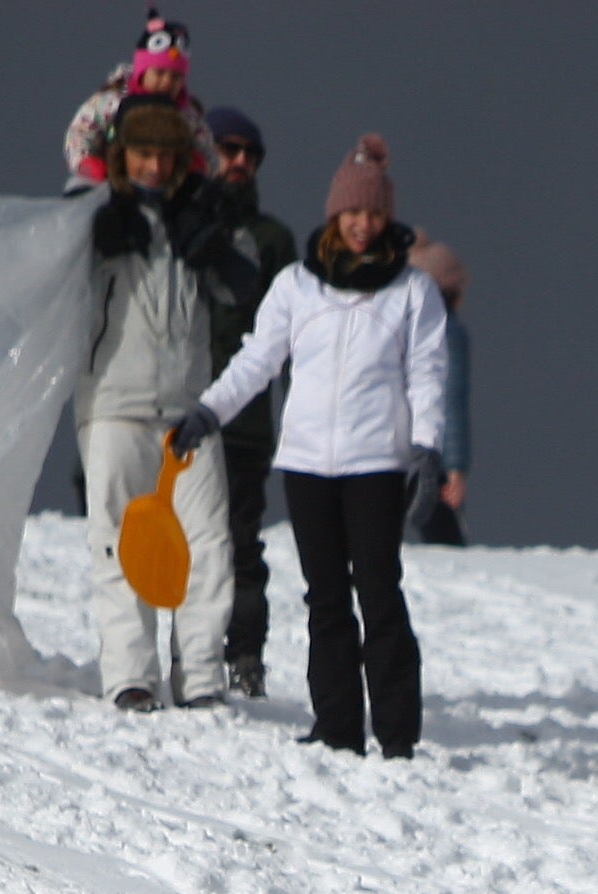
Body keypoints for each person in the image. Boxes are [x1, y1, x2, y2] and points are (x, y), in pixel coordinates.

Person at [174, 134, 448, 759]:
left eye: (374, 214)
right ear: (334, 215)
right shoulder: (297, 286)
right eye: (353, 212)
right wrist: (210, 411)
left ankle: (398, 734)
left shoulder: (411, 292)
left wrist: (426, 448)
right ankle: (338, 728)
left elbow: (428, 373)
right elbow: (257, 360)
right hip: (306, 466)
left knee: (378, 594)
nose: (362, 225)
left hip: (376, 462)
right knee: (325, 598)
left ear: (387, 219)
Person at [78, 96, 259, 710]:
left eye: (165, 154)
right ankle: (130, 674)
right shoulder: (93, 213)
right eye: (143, 153)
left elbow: (246, 287)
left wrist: (217, 246)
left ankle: (203, 676)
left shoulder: (199, 215)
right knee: (116, 539)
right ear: (121, 156)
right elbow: (47, 289)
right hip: (113, 402)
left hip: (187, 409)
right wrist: (90, 239)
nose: (154, 166)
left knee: (208, 541)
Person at [200, 106, 293, 697]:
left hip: (244, 425)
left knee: (238, 541)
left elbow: (291, 340)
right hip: (174, 410)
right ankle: (183, 651)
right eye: (228, 149)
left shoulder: (272, 240)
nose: (239, 163)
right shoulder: (175, 225)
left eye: (249, 155)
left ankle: (245, 655)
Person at [62, 12, 204, 188]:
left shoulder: (186, 112)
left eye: (176, 77)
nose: (167, 82)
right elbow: (79, 134)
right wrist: (87, 164)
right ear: (142, 71)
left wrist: (197, 166)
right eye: (159, 73)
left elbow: (207, 148)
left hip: (166, 187)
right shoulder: (112, 102)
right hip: (107, 181)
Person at [403, 238, 472, 546]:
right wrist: (456, 467)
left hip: (387, 447)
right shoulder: (448, 332)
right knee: (444, 545)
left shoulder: (398, 327)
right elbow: (452, 400)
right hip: (432, 455)